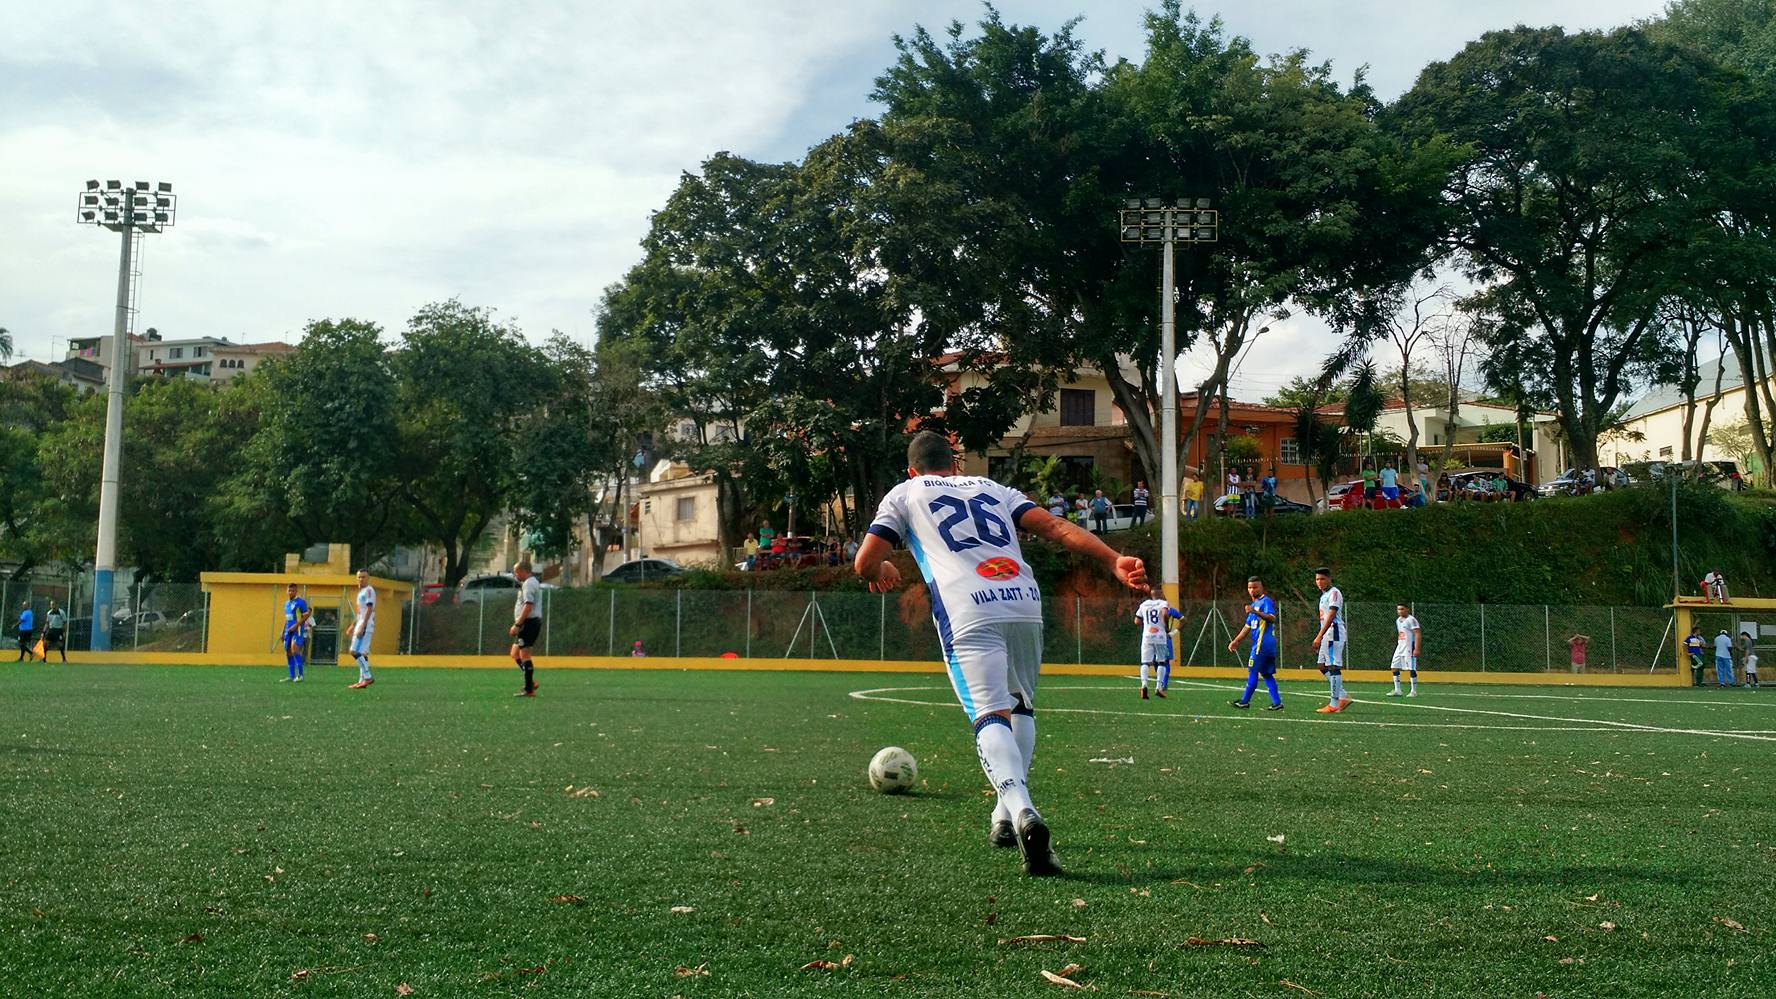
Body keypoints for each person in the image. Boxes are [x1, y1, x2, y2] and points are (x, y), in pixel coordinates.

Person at [853, 430, 1147, 877]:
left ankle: (1025, 810)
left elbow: (865, 561)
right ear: (955, 464)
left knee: (990, 716)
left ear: (913, 469)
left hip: (966, 607)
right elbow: (1055, 526)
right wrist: (1112, 560)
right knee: (1021, 707)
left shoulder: (906, 492)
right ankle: (1003, 814)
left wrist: (883, 568)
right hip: (1022, 600)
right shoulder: (993, 488)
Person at [1227, 576, 1284, 710]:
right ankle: (1277, 703)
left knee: (1252, 672)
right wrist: (1236, 641)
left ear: (1261, 587)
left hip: (1261, 645)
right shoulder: (1253, 606)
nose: (1252, 590)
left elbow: (1272, 618)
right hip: (1267, 646)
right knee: (1266, 674)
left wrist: (1255, 612)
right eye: (1250, 588)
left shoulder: (1265, 601)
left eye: (1255, 587)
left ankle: (1244, 701)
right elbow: (1247, 627)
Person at [1310, 567, 1349, 713]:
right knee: (1322, 665)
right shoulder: (1324, 596)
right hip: (1327, 634)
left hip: (1334, 632)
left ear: (1329, 579)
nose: (1319, 582)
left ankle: (1334, 704)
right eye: (1317, 579)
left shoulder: (1334, 593)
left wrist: (1319, 636)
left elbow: (1331, 615)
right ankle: (1343, 695)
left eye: (1322, 579)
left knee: (1333, 666)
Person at [1133, 586, 1181, 699]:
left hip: (1147, 636)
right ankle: (1159, 687)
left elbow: (1136, 621)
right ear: (1161, 594)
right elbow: (1165, 614)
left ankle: (1144, 685)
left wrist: (1147, 624)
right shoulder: (1163, 603)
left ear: (1152, 595)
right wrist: (1165, 626)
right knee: (1162, 662)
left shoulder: (1144, 604)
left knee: (1145, 662)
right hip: (1160, 637)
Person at [508, 560, 542, 696]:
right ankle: (530, 681)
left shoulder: (529, 584)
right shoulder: (529, 583)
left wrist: (518, 625)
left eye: (516, 572)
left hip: (528, 623)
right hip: (528, 623)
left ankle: (529, 690)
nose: (515, 575)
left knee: (525, 655)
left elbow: (528, 605)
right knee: (515, 654)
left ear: (524, 571)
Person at [347, 569, 376, 689]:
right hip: (361, 623)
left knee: (354, 651)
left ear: (368, 578)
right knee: (362, 654)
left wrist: (363, 626)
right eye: (359, 577)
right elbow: (360, 612)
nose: (361, 579)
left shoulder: (369, 590)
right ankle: (361, 681)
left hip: (365, 625)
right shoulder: (361, 592)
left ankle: (368, 677)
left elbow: (369, 609)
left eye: (363, 577)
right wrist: (353, 625)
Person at [281, 583, 311, 683]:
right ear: (287, 591)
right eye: (289, 590)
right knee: (288, 652)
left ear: (296, 591)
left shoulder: (300, 602)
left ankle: (301, 675)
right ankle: (292, 676)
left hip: (297, 630)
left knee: (294, 650)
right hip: (288, 630)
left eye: (293, 590)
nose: (291, 592)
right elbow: (287, 619)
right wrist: (283, 631)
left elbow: (305, 616)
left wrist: (295, 626)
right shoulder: (286, 604)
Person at [1389, 603, 1421, 697]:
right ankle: (1397, 690)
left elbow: (1418, 634)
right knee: (1394, 667)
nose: (1400, 611)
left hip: (1409, 647)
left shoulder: (1411, 620)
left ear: (1407, 609)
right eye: (1398, 609)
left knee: (1411, 668)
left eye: (1402, 609)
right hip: (1400, 647)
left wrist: (1417, 648)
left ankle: (1413, 691)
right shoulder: (1398, 620)